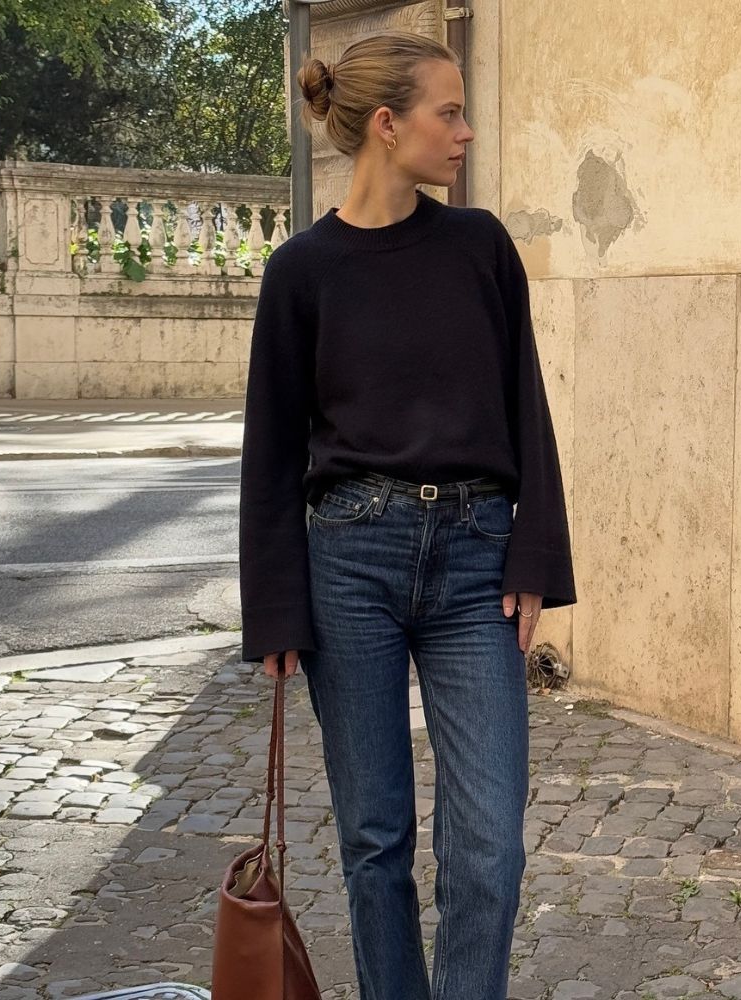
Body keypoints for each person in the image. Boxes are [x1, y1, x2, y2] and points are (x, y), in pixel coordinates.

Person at [238, 29, 575, 1000]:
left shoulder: (477, 247)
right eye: (449, 111)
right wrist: (276, 612)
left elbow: (527, 406)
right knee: (374, 838)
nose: (465, 131)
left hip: (475, 560)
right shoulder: (302, 272)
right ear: (388, 126)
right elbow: (272, 449)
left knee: (488, 846)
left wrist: (532, 562)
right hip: (348, 562)